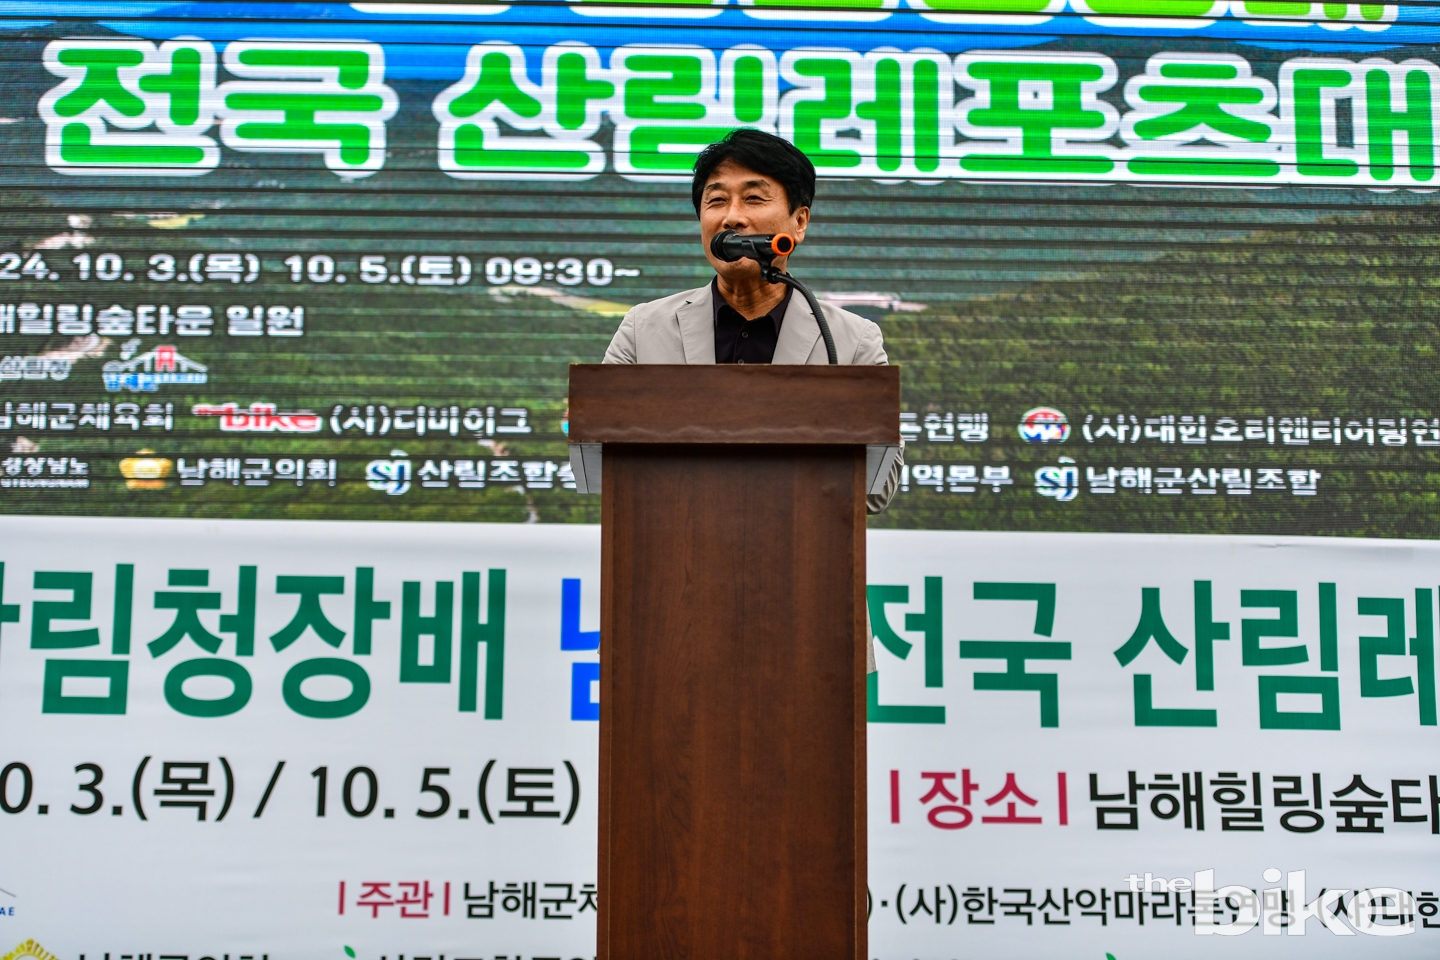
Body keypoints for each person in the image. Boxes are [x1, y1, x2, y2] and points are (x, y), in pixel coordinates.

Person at [602, 130, 903, 672]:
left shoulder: (852, 340)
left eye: (754, 198)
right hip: (666, 612)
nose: (732, 217)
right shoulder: (644, 329)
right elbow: (603, 463)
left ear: (799, 223)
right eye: (716, 200)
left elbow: (877, 489)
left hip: (809, 613)